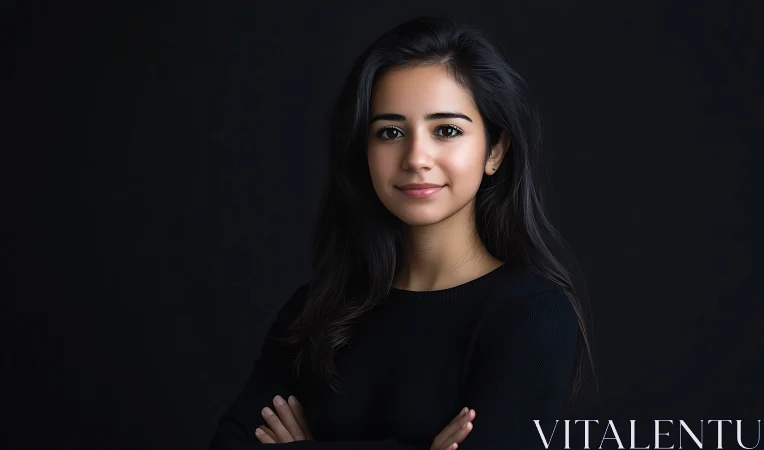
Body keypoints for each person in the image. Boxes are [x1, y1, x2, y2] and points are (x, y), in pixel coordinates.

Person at [209, 16, 593, 450]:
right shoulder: (314, 311)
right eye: (390, 132)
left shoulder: (533, 316)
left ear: (495, 150)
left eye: (446, 130)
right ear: (364, 151)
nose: (416, 157)